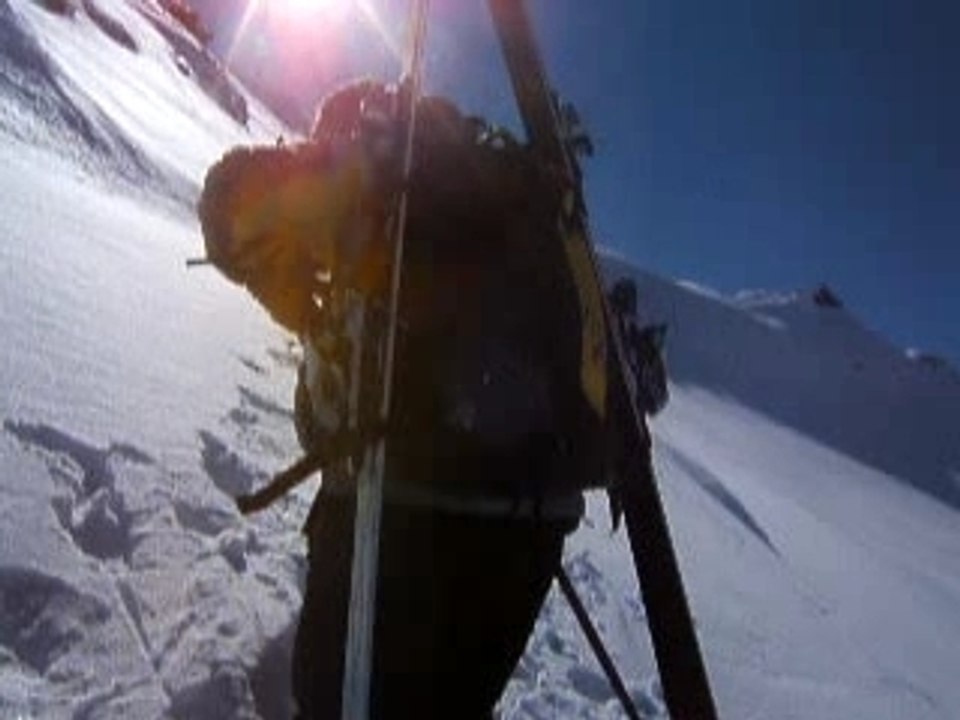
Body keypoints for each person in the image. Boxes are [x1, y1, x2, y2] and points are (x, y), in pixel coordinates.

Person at [198, 80, 611, 719]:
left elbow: (231, 197)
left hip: (408, 517)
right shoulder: (439, 218)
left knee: (335, 701)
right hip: (527, 524)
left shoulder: (361, 182)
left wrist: (266, 273)